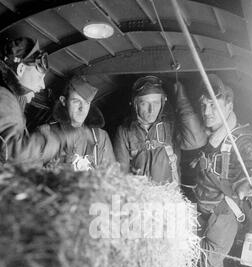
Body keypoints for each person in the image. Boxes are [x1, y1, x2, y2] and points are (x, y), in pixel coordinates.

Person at [180, 73, 252, 267]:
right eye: (203, 105)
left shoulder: (241, 139)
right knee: (191, 263)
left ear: (229, 106)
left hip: (223, 213)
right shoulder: (206, 138)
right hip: (200, 211)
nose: (206, 112)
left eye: (214, 105)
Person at [0, 37, 95, 170]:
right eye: (40, 77)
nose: (42, 85)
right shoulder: (5, 98)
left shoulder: (11, 101)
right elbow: (13, 156)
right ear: (21, 69)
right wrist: (60, 137)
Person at [113, 75, 206, 184]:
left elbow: (196, 141)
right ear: (135, 105)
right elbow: (120, 173)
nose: (151, 110)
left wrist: (182, 101)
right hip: (140, 196)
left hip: (168, 195)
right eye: (144, 103)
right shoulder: (125, 131)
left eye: (156, 103)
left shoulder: (171, 126)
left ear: (163, 103)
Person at [46, 75, 115, 171]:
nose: (82, 109)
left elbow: (112, 178)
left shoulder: (101, 137)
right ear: (63, 101)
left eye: (87, 102)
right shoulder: (47, 133)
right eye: (76, 101)